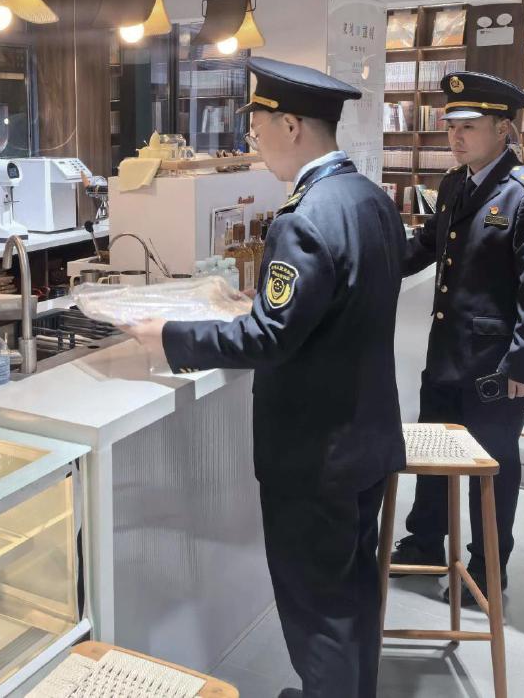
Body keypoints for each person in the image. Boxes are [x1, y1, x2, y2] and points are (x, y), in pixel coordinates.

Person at [125, 57, 406, 698]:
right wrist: (260, 306)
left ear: (291, 126)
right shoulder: (368, 198)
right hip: (366, 440)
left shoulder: (303, 215)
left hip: (315, 455)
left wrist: (170, 337)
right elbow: (337, 306)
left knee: (317, 611)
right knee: (353, 591)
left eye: (257, 128)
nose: (254, 141)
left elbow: (269, 341)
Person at [391, 71, 524, 603]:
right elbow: (426, 246)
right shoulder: (454, 184)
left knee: (490, 463)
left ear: (502, 129)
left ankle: (489, 566)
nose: (456, 137)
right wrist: (367, 264)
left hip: (495, 362)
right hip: (447, 349)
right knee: (433, 451)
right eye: (452, 126)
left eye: (468, 126)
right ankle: (425, 543)